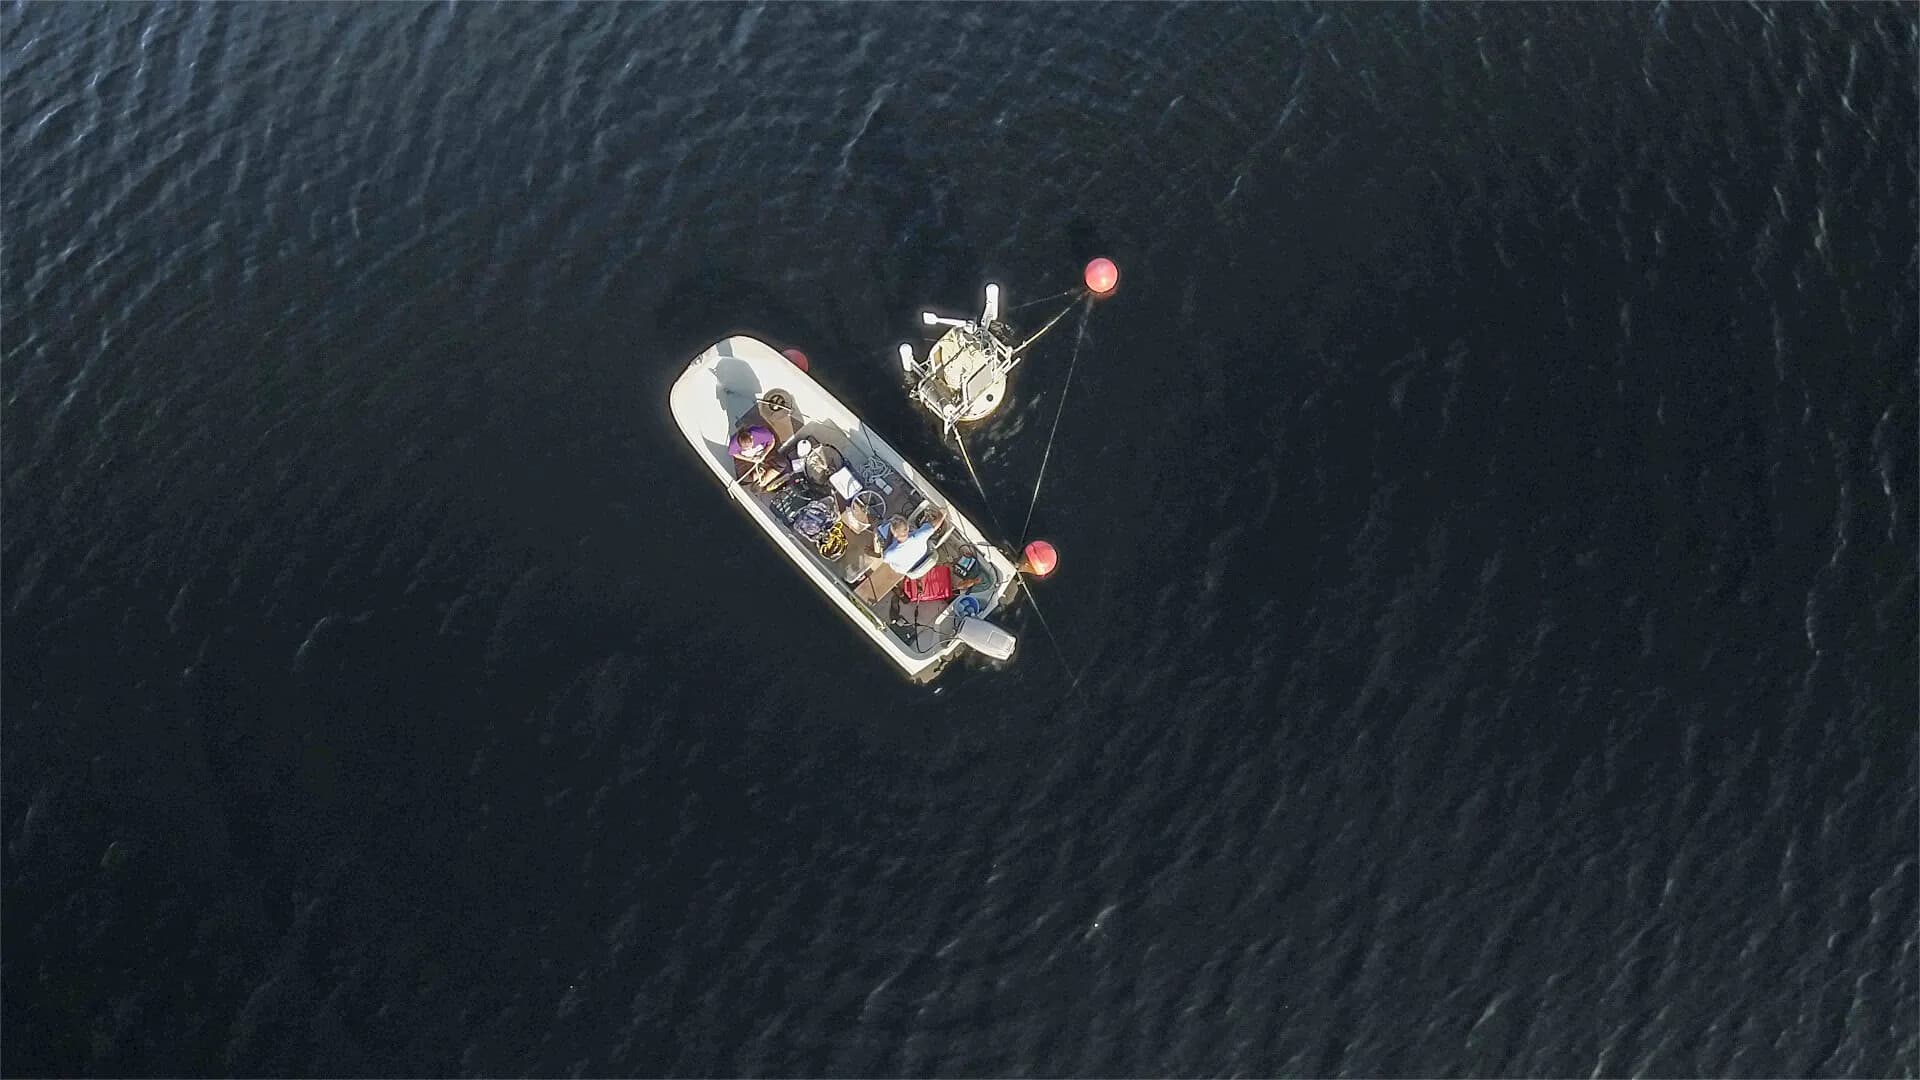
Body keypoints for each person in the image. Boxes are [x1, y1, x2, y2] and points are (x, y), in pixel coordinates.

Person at [882, 507, 946, 574]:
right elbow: (935, 525)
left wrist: (889, 534)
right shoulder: (919, 536)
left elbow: (884, 558)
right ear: (908, 527)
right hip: (923, 558)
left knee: (880, 532)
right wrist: (941, 514)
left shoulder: (889, 554)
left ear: (894, 534)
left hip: (908, 569)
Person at [730, 424, 790, 490]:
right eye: (746, 448)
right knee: (745, 480)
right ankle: (760, 472)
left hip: (763, 451)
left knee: (781, 464)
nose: (750, 449)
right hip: (747, 458)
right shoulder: (734, 444)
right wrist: (750, 459)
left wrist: (764, 453)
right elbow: (734, 454)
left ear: (752, 437)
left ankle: (764, 482)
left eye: (750, 446)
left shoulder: (761, 434)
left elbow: (772, 441)